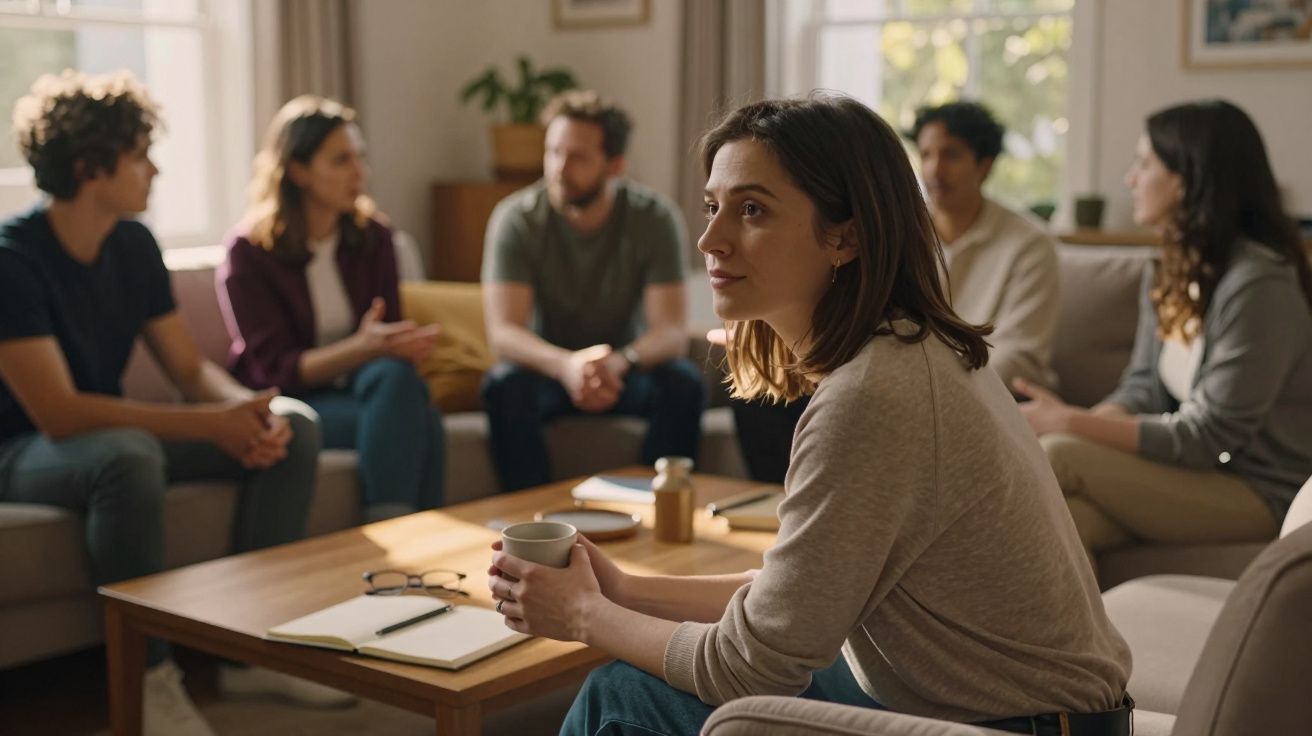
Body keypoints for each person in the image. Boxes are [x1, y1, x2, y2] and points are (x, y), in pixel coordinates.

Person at [486, 96, 1133, 735]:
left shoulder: (873, 396)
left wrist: (584, 616)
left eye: (752, 210)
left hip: (1013, 727)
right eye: (712, 207)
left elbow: (747, 667)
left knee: (622, 697)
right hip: (1036, 709)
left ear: (845, 236)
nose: (710, 239)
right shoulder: (915, 347)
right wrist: (623, 591)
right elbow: (791, 598)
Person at [0, 72, 347, 736]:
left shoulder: (132, 243)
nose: (155, 170)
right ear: (90, 168)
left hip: (96, 437)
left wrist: (247, 409)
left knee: (296, 427)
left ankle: (256, 650)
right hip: (20, 451)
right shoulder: (12, 260)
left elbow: (189, 368)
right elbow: (59, 413)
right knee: (127, 457)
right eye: (140, 155)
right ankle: (148, 680)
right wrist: (207, 425)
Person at [1016, 100, 1312, 568]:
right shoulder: (1170, 270)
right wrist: (1083, 421)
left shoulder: (1259, 285)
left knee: (1060, 454)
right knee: (1067, 521)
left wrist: (1071, 422)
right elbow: (1144, 388)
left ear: (1187, 179)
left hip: (1259, 490)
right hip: (1192, 475)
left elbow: (1208, 436)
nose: (1130, 178)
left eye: (1144, 163)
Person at [730, 100, 1060, 483]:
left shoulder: (1029, 243)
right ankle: (786, 502)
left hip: (990, 390)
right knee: (763, 394)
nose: (934, 169)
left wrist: (929, 381)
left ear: (984, 165)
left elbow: (1020, 353)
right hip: (902, 372)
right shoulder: (900, 229)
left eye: (951, 155)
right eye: (926, 154)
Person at [219, 95, 445, 522]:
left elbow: (387, 340)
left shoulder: (374, 237)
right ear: (299, 171)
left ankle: (399, 533)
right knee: (421, 421)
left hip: (368, 391)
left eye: (359, 157)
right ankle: (407, 535)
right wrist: (362, 348)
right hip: (293, 404)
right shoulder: (249, 252)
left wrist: (398, 345)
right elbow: (274, 371)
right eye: (341, 160)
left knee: (398, 383)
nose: (360, 172)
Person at [480, 90, 704, 493]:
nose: (559, 169)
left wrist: (619, 362)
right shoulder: (517, 219)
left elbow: (670, 332)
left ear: (615, 165)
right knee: (503, 385)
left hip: (623, 372)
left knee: (683, 383)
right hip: (549, 372)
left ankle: (656, 504)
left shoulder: (655, 219)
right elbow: (504, 332)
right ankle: (531, 511)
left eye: (577, 157)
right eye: (553, 152)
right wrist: (566, 366)